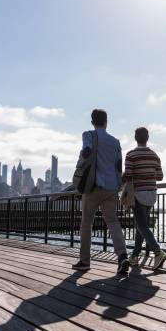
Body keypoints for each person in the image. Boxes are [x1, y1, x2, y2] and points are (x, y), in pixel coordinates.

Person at [72, 109, 129, 274]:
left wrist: (81, 161)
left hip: (93, 186)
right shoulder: (115, 141)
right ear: (106, 122)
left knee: (86, 224)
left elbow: (87, 150)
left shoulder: (88, 135)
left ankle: (84, 261)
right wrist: (118, 185)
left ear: (92, 122)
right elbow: (119, 166)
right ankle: (122, 256)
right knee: (113, 222)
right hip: (112, 187)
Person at [123, 127, 166, 269]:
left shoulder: (131, 155)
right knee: (141, 226)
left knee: (141, 225)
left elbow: (128, 175)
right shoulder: (155, 155)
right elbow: (160, 177)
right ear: (147, 138)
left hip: (137, 194)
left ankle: (157, 251)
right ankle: (135, 256)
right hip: (151, 194)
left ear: (136, 138)